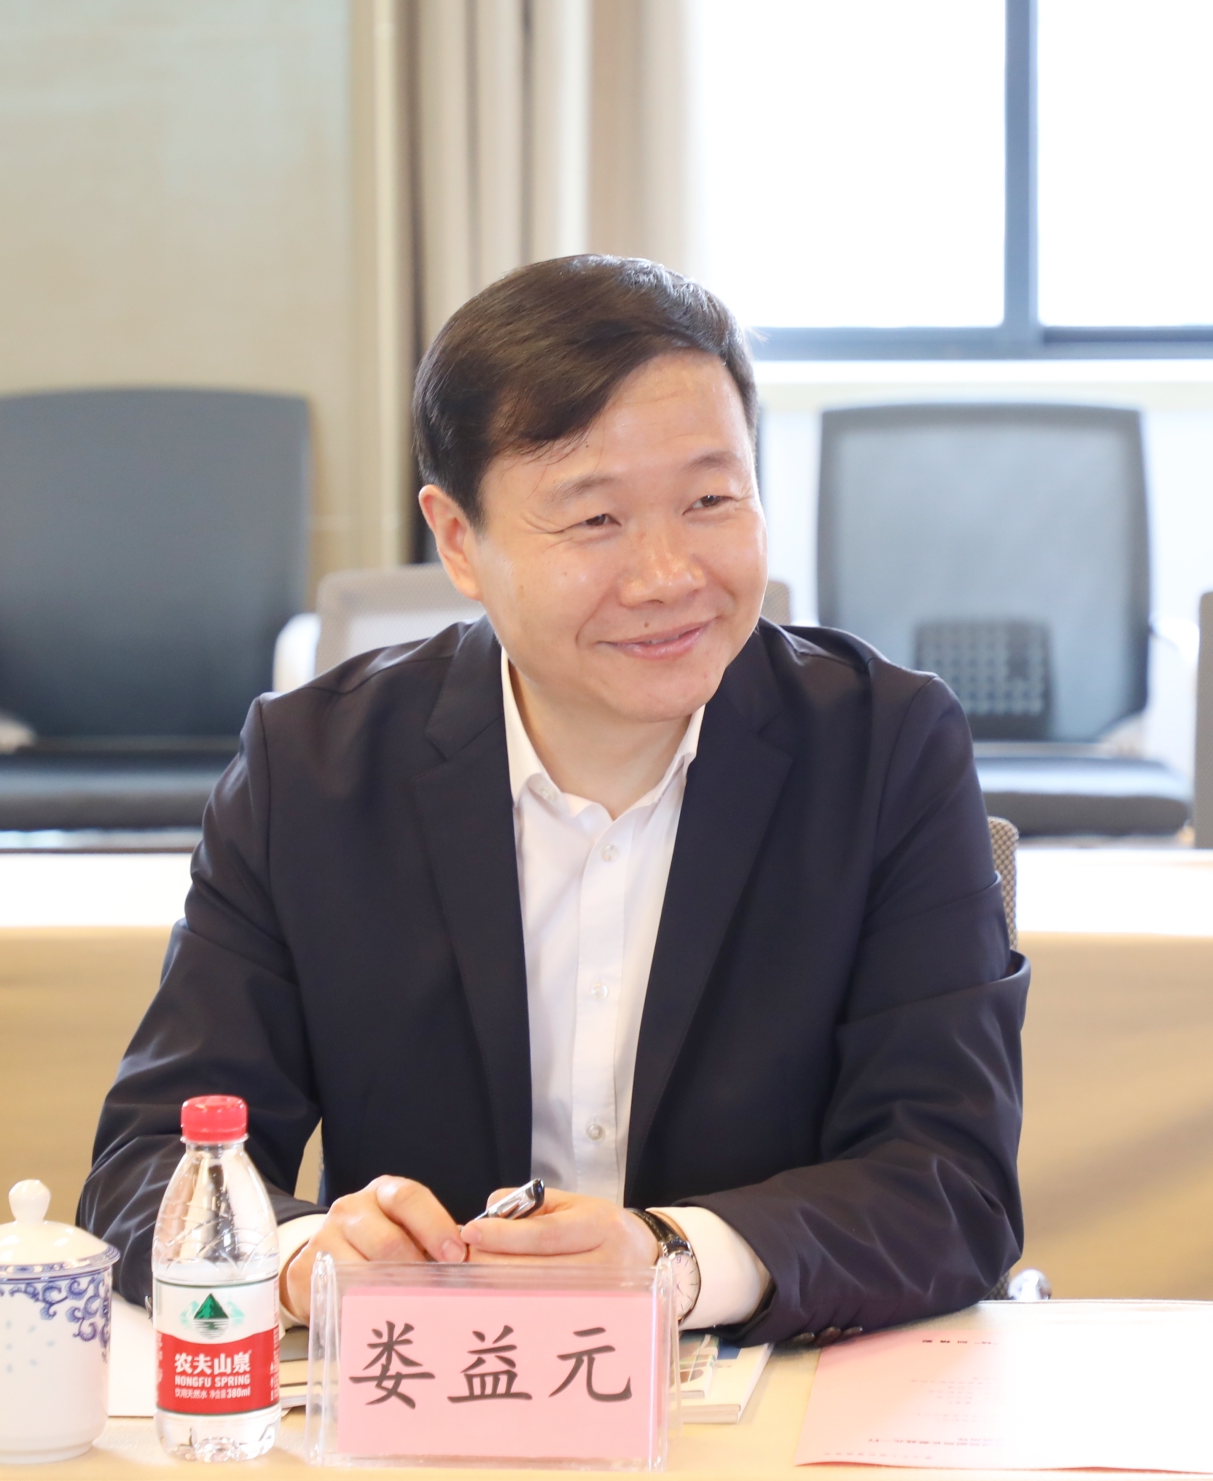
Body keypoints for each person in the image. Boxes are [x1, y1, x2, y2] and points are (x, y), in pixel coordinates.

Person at [79, 255, 1026, 1343]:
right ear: (458, 541)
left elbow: (949, 1181)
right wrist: (303, 1261)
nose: (669, 575)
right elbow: (151, 1165)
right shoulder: (315, 770)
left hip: (780, 1392)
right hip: (431, 1396)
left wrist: (672, 1260)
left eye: (710, 499)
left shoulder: (884, 749)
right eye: (595, 520)